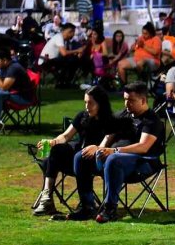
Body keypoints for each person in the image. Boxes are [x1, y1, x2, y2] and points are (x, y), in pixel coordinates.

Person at [71, 82, 166, 223]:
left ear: (143, 100)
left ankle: (110, 209)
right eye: (125, 99)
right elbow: (109, 135)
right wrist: (99, 149)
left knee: (114, 159)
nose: (127, 104)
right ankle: (87, 205)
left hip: (142, 163)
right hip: (113, 160)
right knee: (81, 156)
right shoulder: (123, 115)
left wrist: (114, 150)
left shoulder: (151, 121)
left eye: (131, 101)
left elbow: (143, 147)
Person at [32, 86, 118, 216]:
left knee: (53, 160)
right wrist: (52, 142)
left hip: (96, 161)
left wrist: (96, 149)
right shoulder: (82, 116)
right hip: (77, 158)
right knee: (54, 151)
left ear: (101, 103)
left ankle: (82, 205)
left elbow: (104, 145)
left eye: (90, 103)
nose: (87, 106)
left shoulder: (110, 121)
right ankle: (47, 197)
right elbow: (66, 136)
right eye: (85, 102)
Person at [0, 47, 35, 135]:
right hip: (13, 93)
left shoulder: (13, 68)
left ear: (5, 60)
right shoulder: (5, 67)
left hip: (23, 97)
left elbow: (3, 87)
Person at [39, 23, 80, 87]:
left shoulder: (60, 37)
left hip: (48, 60)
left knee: (70, 61)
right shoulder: (59, 38)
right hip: (46, 61)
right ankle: (65, 82)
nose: (73, 35)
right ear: (69, 32)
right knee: (72, 62)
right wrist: (78, 50)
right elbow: (64, 53)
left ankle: (63, 81)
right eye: (73, 33)